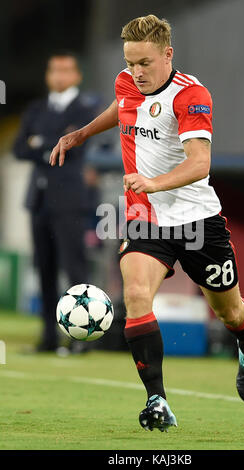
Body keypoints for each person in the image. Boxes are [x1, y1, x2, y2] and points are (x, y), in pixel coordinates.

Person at [49, 15, 244, 431]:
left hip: (197, 221)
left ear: (167, 54)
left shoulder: (192, 95)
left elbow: (200, 164)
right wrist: (82, 134)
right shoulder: (127, 82)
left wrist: (151, 181)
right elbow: (123, 108)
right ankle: (157, 400)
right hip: (144, 217)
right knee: (135, 294)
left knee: (229, 310)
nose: (136, 72)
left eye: (144, 63)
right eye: (130, 63)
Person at [13, 52, 102, 352]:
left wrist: (38, 142)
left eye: (65, 71)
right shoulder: (37, 108)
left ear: (77, 75)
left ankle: (82, 338)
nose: (59, 76)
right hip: (39, 200)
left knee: (74, 269)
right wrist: (51, 142)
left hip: (69, 200)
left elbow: (74, 147)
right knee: (45, 270)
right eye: (54, 70)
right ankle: (49, 337)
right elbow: (18, 148)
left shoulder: (86, 107)